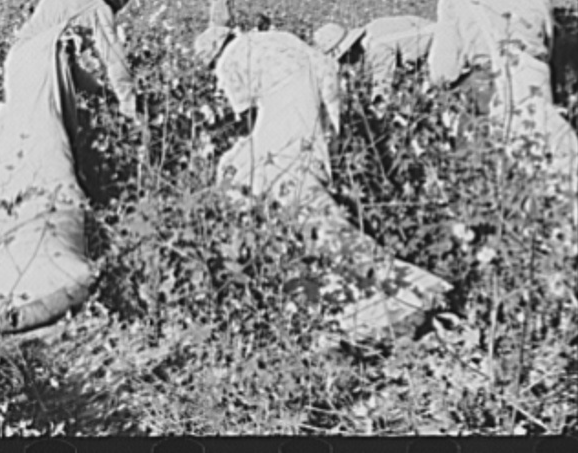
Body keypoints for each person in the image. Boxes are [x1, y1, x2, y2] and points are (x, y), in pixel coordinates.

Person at [193, 24, 451, 346]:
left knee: (307, 214)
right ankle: (372, 296)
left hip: (284, 133)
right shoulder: (276, 39)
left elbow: (244, 118)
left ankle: (411, 290)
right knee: (309, 203)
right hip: (318, 123)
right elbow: (326, 99)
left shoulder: (230, 59)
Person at [0, 0, 137, 334]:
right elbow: (114, 59)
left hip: (17, 66)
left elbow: (70, 70)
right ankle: (51, 255)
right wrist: (128, 105)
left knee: (21, 147)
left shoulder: (60, 0)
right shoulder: (96, 7)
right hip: (41, 67)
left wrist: (99, 95)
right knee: (48, 155)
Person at [427, 0, 578, 198]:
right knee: (547, 159)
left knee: (496, 173)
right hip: (538, 76)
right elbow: (550, 38)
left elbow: (442, 72)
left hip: (491, 88)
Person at [314, 15, 436, 102]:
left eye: (343, 60)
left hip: (440, 45)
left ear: (349, 50)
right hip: (430, 43)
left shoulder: (376, 46)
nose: (347, 64)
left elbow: (383, 85)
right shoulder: (371, 30)